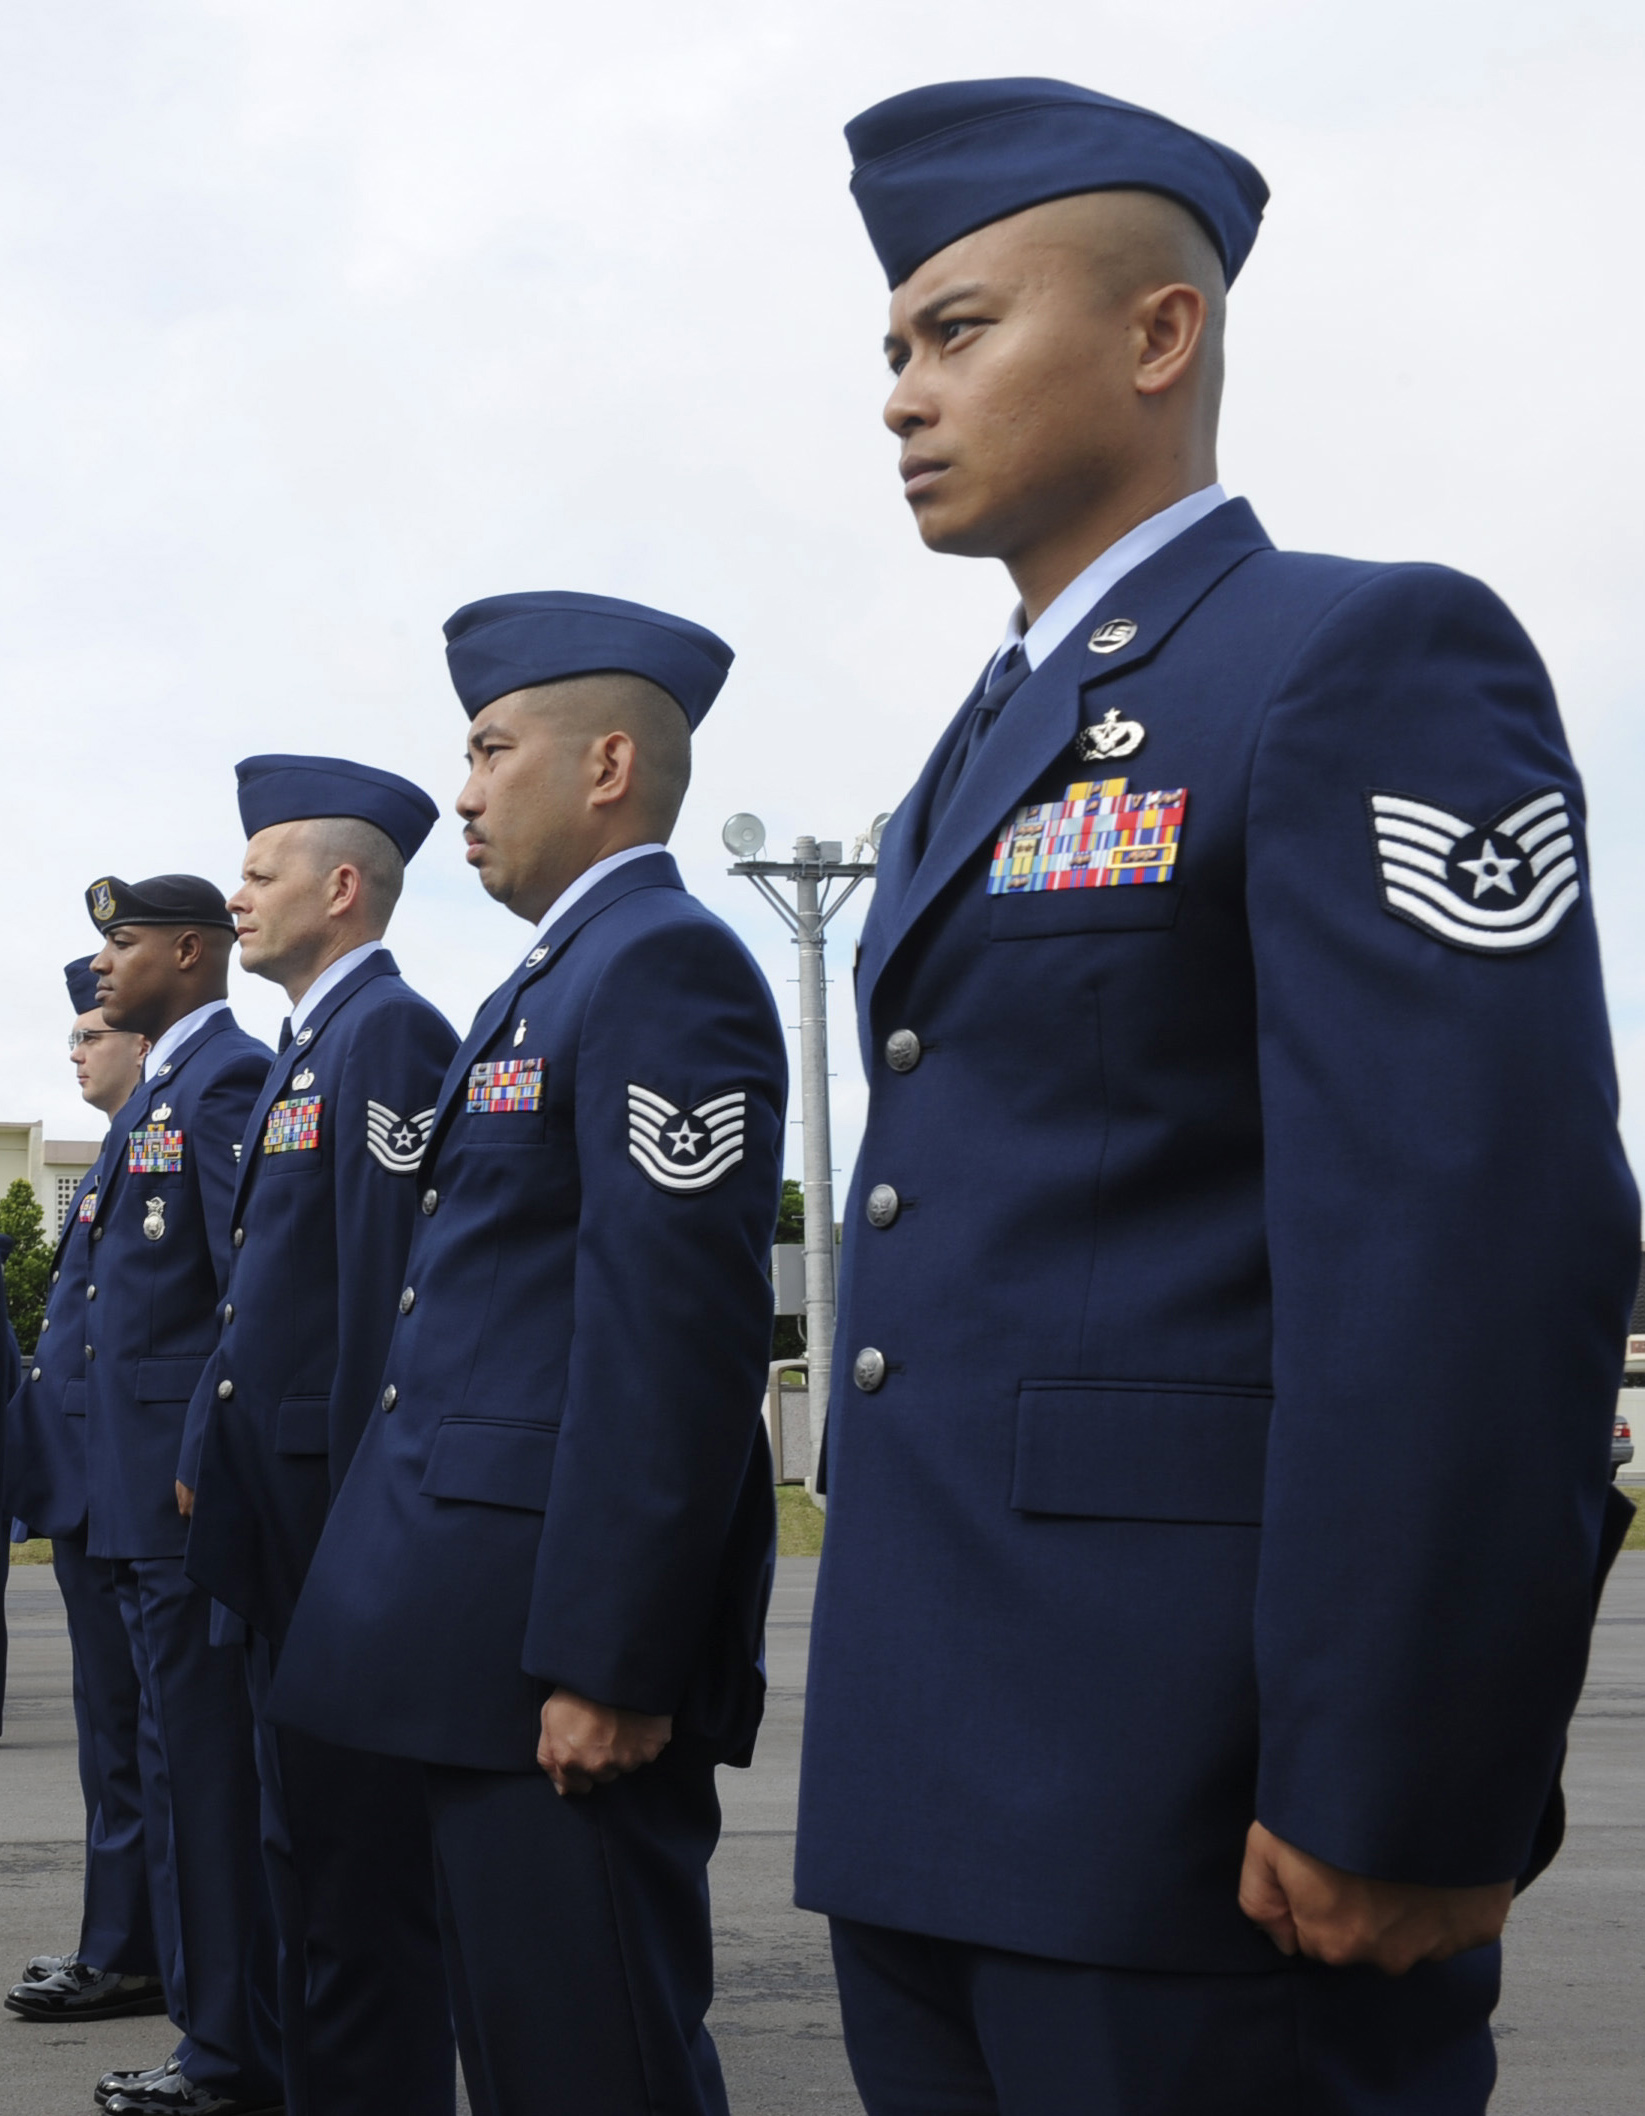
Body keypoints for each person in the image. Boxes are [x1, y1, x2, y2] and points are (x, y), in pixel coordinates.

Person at [792, 77, 1641, 2116]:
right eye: (892, 348)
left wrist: (1404, 1779)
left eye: (960, 327)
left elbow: (1470, 1241)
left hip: (1210, 1815)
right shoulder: (981, 743)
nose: (902, 391)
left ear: (1160, 335)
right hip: (945, 1789)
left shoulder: (1350, 657)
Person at [269, 592, 787, 2116]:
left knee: (587, 2061)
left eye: (492, 751)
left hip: (549, 1662)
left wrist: (612, 1660)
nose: (467, 790)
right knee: (513, 2049)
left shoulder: (662, 969)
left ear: (608, 764)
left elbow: (674, 1340)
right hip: (462, 1637)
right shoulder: (552, 979)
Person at [179, 756, 459, 2116]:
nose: (237, 896)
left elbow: (384, 1304)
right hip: (281, 1526)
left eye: (257, 872)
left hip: (339, 1534)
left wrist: (368, 1537)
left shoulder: (388, 1037)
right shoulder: (309, 1045)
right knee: (304, 1866)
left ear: (339, 888)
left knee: (361, 1893)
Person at [80, 875, 282, 2116]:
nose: (103, 965)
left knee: (209, 1783)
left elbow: (243, 1291)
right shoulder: (164, 1085)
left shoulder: (222, 1082)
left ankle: (232, 2055)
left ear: (191, 952)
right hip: (132, 1497)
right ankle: (211, 2036)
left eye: (124, 941)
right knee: (173, 1775)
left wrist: (204, 1457)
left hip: (181, 1493)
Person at [4, 958, 162, 2026]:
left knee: (152, 1738)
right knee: (115, 1740)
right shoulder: (116, 1152)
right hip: (88, 1488)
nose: (75, 1050)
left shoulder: (178, 1125)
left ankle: (145, 1952)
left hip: (141, 1489)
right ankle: (127, 1944)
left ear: (141, 1041)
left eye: (91, 1033)